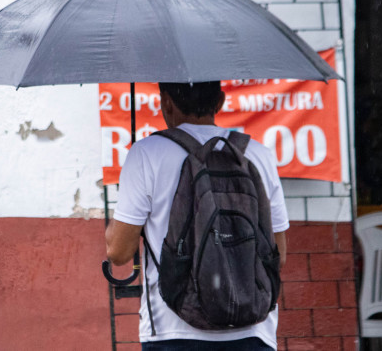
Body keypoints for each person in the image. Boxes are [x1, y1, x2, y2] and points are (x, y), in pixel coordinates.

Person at [105, 81, 289, 351]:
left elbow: (118, 252)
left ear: (165, 101)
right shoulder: (257, 154)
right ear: (220, 101)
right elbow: (279, 254)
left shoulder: (147, 153)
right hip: (253, 330)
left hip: (172, 331)